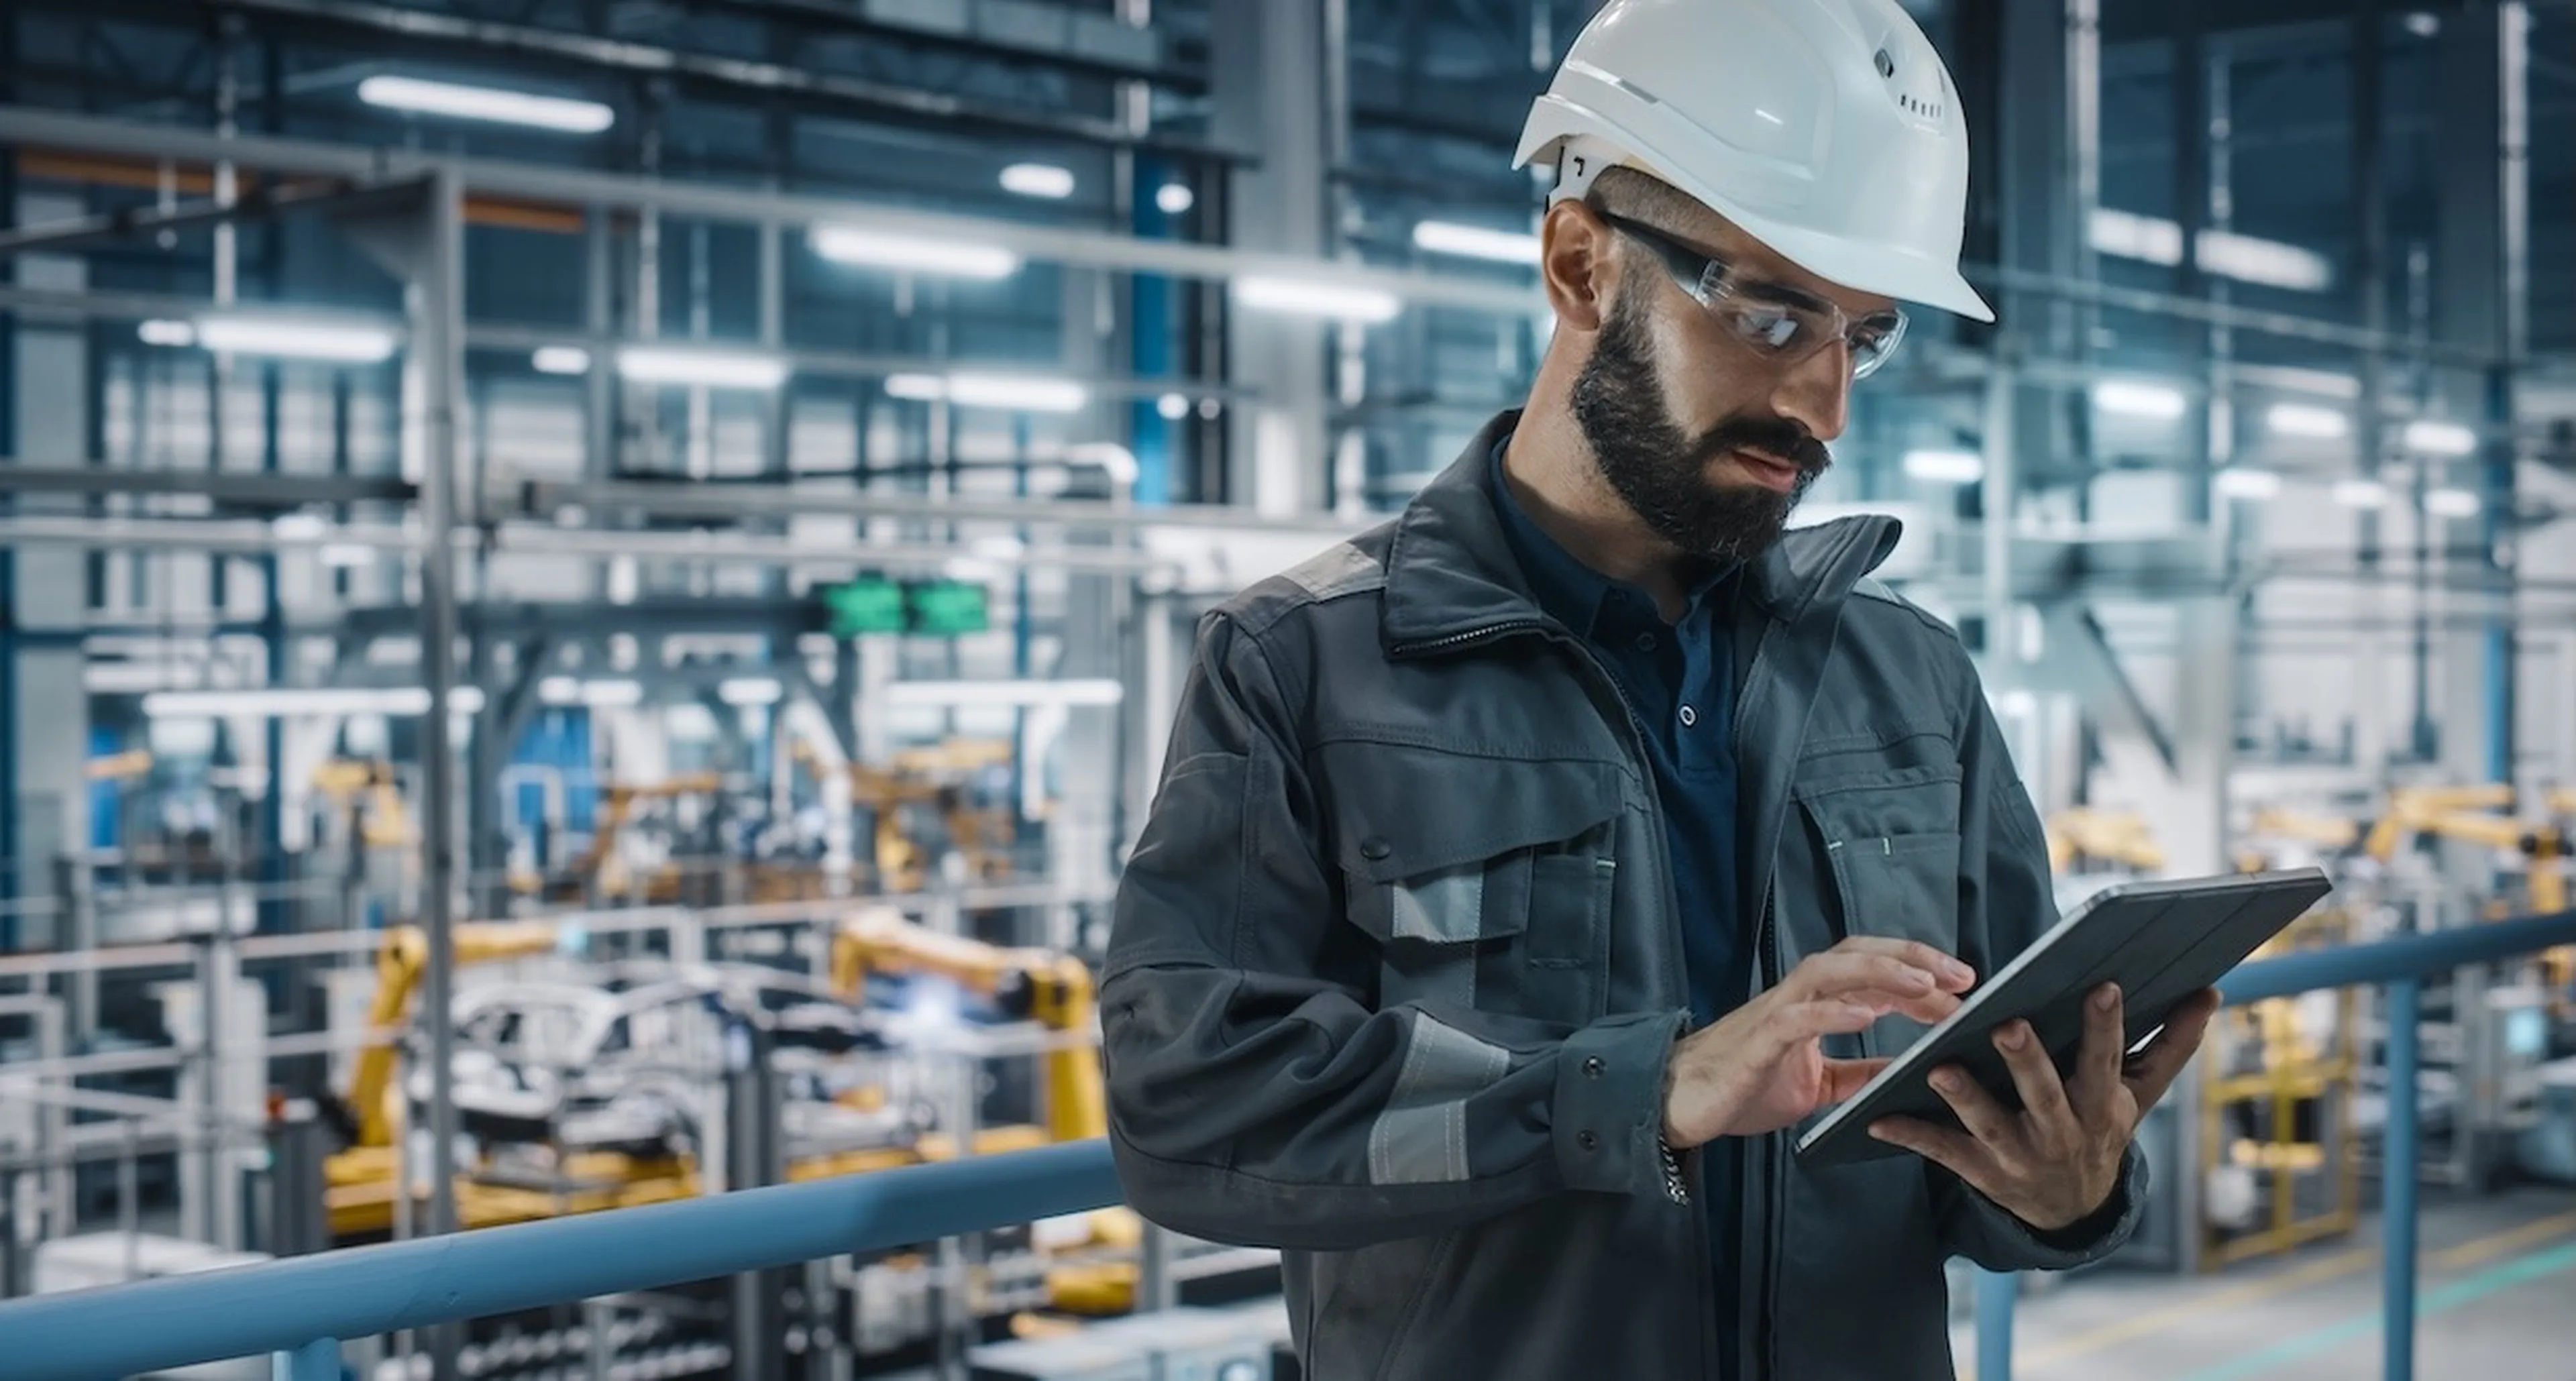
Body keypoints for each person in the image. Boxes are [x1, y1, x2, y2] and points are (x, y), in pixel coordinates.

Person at [1097, 1, 2220, 1377]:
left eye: (1862, 338)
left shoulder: (1908, 681)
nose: (1823, 407)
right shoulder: (1303, 668)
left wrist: (2067, 1193)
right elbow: (1193, 1113)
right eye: (1770, 313)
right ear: (1580, 264)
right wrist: (1646, 1094)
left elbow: (1971, 1139)